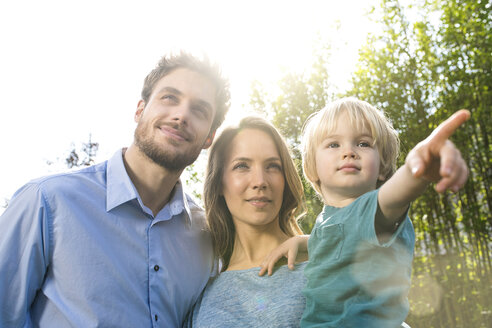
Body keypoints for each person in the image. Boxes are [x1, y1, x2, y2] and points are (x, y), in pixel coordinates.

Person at [0, 52, 230, 327]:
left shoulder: (207, 237)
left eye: (200, 110)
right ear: (139, 109)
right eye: (170, 98)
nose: (181, 115)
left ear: (209, 138)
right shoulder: (47, 201)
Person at [295, 97, 469, 327]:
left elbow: (395, 195)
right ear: (312, 166)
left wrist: (418, 170)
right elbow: (339, 240)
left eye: (363, 143)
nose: (349, 151)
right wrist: (302, 243)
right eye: (333, 144)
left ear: (383, 166)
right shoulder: (329, 218)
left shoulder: (375, 207)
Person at [185, 116, 309, 327]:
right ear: (219, 184)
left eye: (273, 166)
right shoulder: (201, 293)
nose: (260, 181)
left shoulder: (322, 260)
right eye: (242, 166)